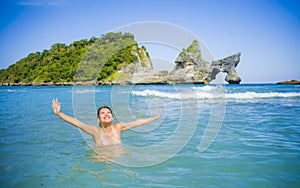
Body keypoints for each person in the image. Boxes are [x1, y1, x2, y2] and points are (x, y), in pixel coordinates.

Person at [52, 98, 160, 146]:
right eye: (102, 113)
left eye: (108, 112)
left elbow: (137, 122)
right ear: (98, 119)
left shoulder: (118, 127)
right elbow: (77, 122)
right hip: (100, 160)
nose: (106, 114)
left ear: (112, 117)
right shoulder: (95, 131)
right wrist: (59, 113)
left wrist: (154, 118)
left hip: (117, 161)